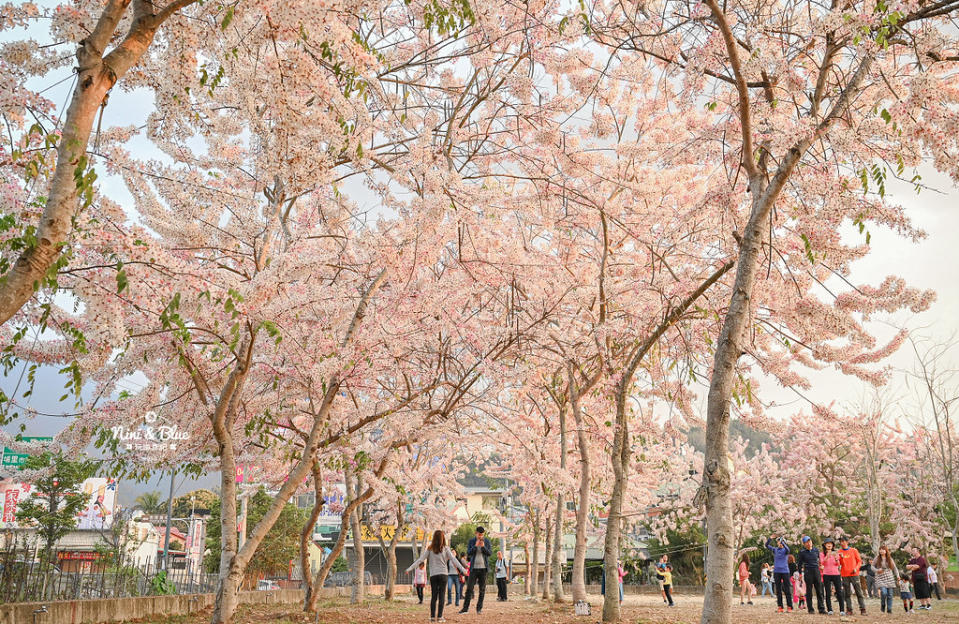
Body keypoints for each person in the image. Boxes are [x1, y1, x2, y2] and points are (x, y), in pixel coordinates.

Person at [406, 529, 466, 623]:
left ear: (434, 538)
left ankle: (432, 617)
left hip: (434, 575)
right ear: (443, 538)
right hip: (443, 575)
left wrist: (409, 569)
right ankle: (440, 617)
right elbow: (454, 560)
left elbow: (420, 560)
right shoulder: (446, 549)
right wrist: (464, 570)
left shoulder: (430, 549)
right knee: (442, 596)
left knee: (434, 596)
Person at [459, 526, 492, 615]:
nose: (480, 536)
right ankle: (465, 609)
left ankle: (479, 609)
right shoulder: (472, 541)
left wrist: (483, 547)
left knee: (482, 589)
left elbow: (489, 553)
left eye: (482, 535)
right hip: (473, 568)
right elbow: (469, 553)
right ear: (476, 533)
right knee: (469, 589)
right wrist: (475, 546)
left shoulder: (487, 541)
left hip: (483, 569)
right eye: (479, 534)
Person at [797, 535, 825, 614]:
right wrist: (800, 573)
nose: (808, 543)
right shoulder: (802, 552)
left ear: (811, 542)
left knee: (819, 590)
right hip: (808, 571)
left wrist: (821, 566)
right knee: (809, 591)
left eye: (809, 541)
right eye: (806, 542)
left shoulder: (816, 550)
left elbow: (819, 561)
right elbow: (799, 564)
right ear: (804, 544)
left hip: (816, 571)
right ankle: (810, 609)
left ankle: (821, 608)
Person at [765, 534, 793, 612]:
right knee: (778, 590)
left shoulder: (786, 550)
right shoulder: (775, 549)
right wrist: (770, 538)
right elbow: (766, 545)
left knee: (787, 590)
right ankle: (780, 607)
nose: (779, 543)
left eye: (780, 542)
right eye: (778, 542)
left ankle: (789, 607)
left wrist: (782, 541)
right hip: (777, 572)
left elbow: (788, 549)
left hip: (785, 572)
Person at [838, 537, 866, 615]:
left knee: (858, 592)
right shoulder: (839, 552)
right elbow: (839, 564)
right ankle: (849, 609)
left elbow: (859, 561)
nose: (842, 543)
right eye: (840, 541)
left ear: (847, 542)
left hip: (854, 574)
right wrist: (841, 558)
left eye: (843, 541)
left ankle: (863, 609)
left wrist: (856, 568)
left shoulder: (854, 550)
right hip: (844, 575)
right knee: (847, 593)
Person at [873, 544, 899, 613]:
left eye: (883, 549)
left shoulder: (889, 558)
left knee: (890, 595)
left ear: (886, 551)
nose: (881, 551)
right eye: (880, 549)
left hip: (889, 577)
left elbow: (895, 568)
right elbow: (872, 567)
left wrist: (898, 575)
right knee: (884, 593)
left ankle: (889, 609)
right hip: (880, 577)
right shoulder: (877, 558)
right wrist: (877, 570)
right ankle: (883, 605)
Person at [906, 546, 932, 611]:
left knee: (925, 592)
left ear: (918, 551)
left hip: (922, 578)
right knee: (919, 592)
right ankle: (923, 605)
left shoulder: (921, 559)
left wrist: (912, 567)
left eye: (914, 550)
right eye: (912, 551)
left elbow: (917, 566)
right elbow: (907, 566)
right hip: (915, 578)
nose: (912, 552)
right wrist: (912, 566)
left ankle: (929, 605)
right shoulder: (913, 560)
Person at [820, 538, 842, 615]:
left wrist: (836, 559)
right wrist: (827, 556)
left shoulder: (836, 553)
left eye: (830, 543)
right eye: (827, 543)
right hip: (826, 574)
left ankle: (842, 610)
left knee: (839, 592)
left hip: (836, 574)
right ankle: (830, 610)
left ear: (833, 545)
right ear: (825, 545)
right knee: (828, 593)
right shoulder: (822, 554)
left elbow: (838, 564)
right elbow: (822, 563)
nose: (829, 545)